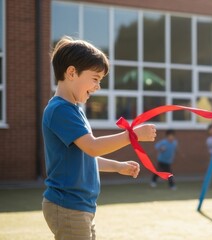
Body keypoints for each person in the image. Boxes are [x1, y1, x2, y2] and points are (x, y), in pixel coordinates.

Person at [42, 36, 157, 239]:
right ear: (71, 73)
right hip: (68, 205)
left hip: (80, 206)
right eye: (95, 79)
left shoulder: (75, 110)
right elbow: (93, 147)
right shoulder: (60, 110)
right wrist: (133, 135)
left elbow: (86, 155)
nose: (98, 87)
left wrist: (117, 166)